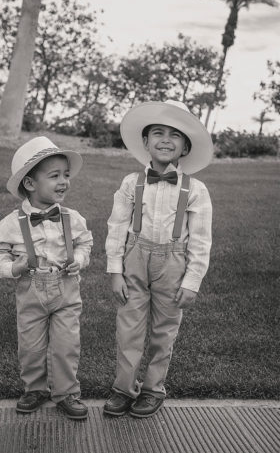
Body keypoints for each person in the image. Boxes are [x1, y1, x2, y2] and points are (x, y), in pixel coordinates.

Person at [102, 100, 213, 419]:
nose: (166, 139)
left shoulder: (197, 190)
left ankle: (153, 389)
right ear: (146, 141)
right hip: (134, 259)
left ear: (185, 147)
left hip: (174, 265)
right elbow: (116, 226)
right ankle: (123, 389)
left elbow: (202, 240)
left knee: (165, 330)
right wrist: (115, 271)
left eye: (175, 135)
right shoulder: (129, 184)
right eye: (158, 133)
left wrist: (192, 281)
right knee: (129, 328)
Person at [0, 136, 94, 420]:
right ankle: (34, 388)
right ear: (31, 184)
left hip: (66, 290)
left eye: (66, 175)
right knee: (31, 345)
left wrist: (79, 260)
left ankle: (67, 393)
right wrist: (13, 267)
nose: (64, 182)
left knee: (66, 345)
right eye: (55, 176)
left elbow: (85, 243)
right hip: (31, 290)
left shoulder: (74, 218)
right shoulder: (11, 225)